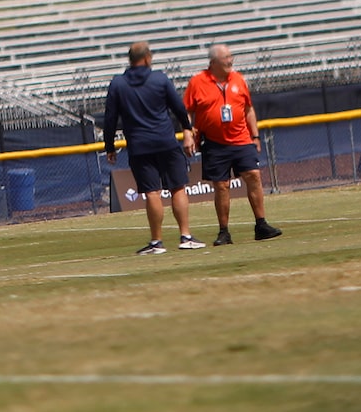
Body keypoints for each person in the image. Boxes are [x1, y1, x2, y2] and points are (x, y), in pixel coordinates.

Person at [101, 41, 202, 255]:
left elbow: (110, 118)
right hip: (165, 141)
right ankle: (185, 236)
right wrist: (187, 130)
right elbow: (179, 108)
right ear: (147, 58)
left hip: (139, 146)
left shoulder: (118, 84)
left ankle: (157, 242)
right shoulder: (160, 78)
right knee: (177, 187)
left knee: (152, 192)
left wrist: (109, 146)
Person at [182, 44, 281, 245]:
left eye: (230, 56)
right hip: (214, 142)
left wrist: (255, 136)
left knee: (253, 175)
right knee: (222, 185)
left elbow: (248, 109)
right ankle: (224, 232)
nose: (230, 61)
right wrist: (188, 134)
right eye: (225, 58)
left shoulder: (239, 79)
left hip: (241, 139)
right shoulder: (197, 82)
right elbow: (187, 111)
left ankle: (261, 224)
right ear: (213, 63)